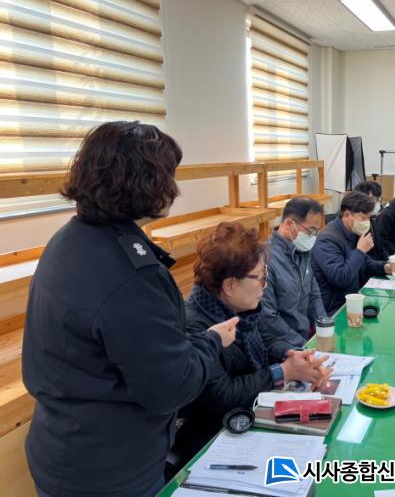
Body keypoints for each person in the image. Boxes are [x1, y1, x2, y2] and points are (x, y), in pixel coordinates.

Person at [22, 122, 237, 497]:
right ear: (150, 184)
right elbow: (171, 387)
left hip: (62, 445)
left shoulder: (70, 239)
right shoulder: (131, 275)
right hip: (110, 470)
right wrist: (211, 341)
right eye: (169, 176)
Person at [172, 222, 332, 465]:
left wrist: (295, 356)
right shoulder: (194, 327)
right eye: (260, 278)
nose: (264, 286)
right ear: (229, 285)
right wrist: (284, 371)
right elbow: (222, 395)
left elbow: (268, 340)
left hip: (254, 410)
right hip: (215, 434)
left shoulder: (243, 307)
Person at [261, 197, 327, 356]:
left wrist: (325, 327)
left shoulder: (303, 252)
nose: (313, 237)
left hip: (305, 338)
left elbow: (314, 294)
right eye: (311, 231)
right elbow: (268, 316)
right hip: (282, 347)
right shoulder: (266, 259)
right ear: (289, 224)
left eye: (316, 232)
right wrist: (302, 345)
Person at [312, 191, 391, 314]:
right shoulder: (326, 240)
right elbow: (340, 278)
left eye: (369, 217)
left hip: (352, 299)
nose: (367, 222)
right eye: (363, 218)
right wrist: (360, 251)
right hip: (333, 309)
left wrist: (384, 267)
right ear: (346, 215)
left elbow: (364, 262)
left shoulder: (352, 231)